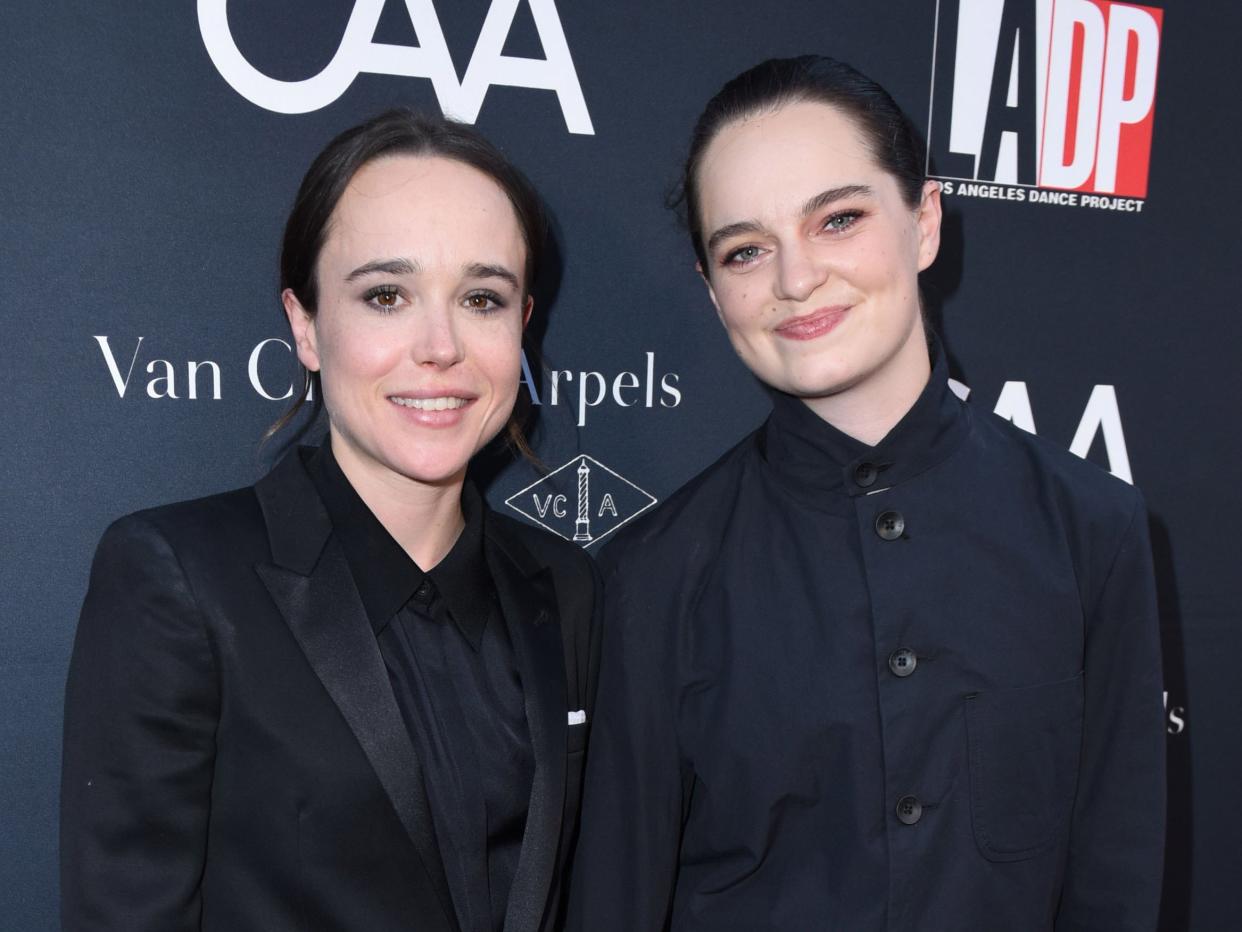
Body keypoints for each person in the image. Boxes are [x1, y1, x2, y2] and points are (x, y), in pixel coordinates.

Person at [569, 56, 1164, 931]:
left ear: (924, 222)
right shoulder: (651, 576)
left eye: (838, 219)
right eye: (745, 250)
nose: (795, 279)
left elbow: (1113, 889)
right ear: (710, 288)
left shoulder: (1093, 531)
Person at [61, 109, 600, 932]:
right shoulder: (178, 577)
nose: (441, 345)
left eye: (482, 298)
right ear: (306, 325)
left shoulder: (567, 589)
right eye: (386, 295)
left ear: (521, 325)